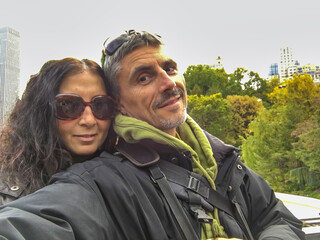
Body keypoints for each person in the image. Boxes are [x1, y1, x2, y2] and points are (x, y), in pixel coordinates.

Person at [0, 31, 305, 240]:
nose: (167, 83)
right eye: (144, 77)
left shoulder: (224, 160)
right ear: (121, 103)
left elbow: (276, 217)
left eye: (170, 69)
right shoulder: (105, 181)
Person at [0, 57, 115, 205]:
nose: (89, 120)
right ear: (42, 112)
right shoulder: (8, 197)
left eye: (100, 105)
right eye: (68, 105)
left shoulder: (127, 177)